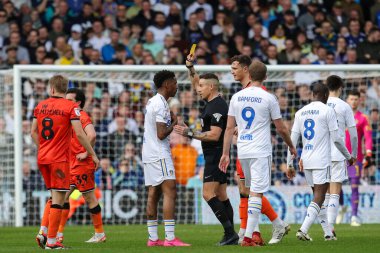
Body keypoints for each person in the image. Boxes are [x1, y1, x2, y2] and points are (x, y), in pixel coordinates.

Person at [219, 60, 297, 247]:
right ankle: (247, 238)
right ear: (266, 77)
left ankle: (250, 233)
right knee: (256, 193)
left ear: (250, 75)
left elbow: (229, 128)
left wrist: (225, 153)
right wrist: (291, 146)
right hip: (260, 150)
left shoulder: (236, 97)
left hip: (242, 150)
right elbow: (281, 128)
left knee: (248, 191)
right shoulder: (269, 98)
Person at [174, 53, 239, 246]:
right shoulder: (211, 102)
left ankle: (230, 233)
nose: (197, 89)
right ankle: (231, 234)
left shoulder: (218, 105)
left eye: (202, 87)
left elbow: (214, 135)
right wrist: (190, 67)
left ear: (211, 87)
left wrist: (189, 133)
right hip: (216, 154)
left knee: (208, 194)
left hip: (216, 154)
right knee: (221, 195)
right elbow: (196, 81)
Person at [32, 75, 99, 249]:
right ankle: (52, 241)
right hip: (60, 160)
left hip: (42, 158)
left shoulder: (40, 106)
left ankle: (43, 231)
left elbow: (33, 132)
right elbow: (80, 133)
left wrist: (43, 148)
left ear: (51, 89)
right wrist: (92, 154)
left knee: (54, 197)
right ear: (64, 88)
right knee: (58, 200)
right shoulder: (70, 107)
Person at [286, 83, 355, 241]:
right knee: (319, 196)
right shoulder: (327, 111)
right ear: (325, 96)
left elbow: (292, 142)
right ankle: (303, 229)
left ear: (312, 95)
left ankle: (328, 233)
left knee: (319, 198)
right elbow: (337, 139)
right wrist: (348, 156)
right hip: (322, 160)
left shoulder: (300, 112)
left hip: (306, 160)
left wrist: (289, 163)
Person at [142, 70, 190, 247]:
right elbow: (161, 133)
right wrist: (175, 123)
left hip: (148, 152)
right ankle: (170, 238)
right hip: (159, 153)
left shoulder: (153, 101)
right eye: (175, 83)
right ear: (166, 84)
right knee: (170, 191)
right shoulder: (160, 104)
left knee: (154, 193)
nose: (177, 86)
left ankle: (153, 238)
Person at [57, 88, 106, 243]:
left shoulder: (82, 115)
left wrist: (86, 153)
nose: (66, 102)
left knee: (89, 197)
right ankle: (58, 234)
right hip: (71, 164)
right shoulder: (71, 117)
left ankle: (99, 233)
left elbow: (92, 135)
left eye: (69, 100)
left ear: (78, 102)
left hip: (81, 164)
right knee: (63, 197)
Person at [325, 76, 358, 236]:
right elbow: (353, 135)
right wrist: (353, 154)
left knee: (321, 191)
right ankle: (330, 228)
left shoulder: (319, 104)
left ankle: (321, 227)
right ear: (341, 87)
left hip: (319, 153)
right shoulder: (344, 106)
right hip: (337, 153)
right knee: (335, 190)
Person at [345, 90, 373, 226]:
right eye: (351, 99)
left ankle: (354, 216)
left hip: (356, 158)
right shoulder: (339, 117)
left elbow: (368, 138)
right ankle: (341, 207)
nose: (354, 101)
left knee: (354, 186)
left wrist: (369, 152)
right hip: (338, 157)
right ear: (347, 100)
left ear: (359, 101)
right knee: (334, 187)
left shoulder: (363, 118)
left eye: (356, 99)